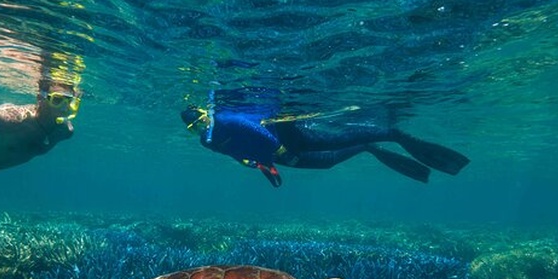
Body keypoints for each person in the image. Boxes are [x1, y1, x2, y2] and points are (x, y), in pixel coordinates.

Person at [181, 103, 469, 187]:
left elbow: (254, 130)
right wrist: (259, 165)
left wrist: (279, 152)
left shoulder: (228, 118)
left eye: (201, 120)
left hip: (290, 140)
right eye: (195, 127)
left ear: (207, 113)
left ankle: (391, 133)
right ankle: (370, 146)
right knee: (328, 161)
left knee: (333, 140)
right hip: (277, 156)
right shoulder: (208, 142)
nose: (201, 127)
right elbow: (236, 154)